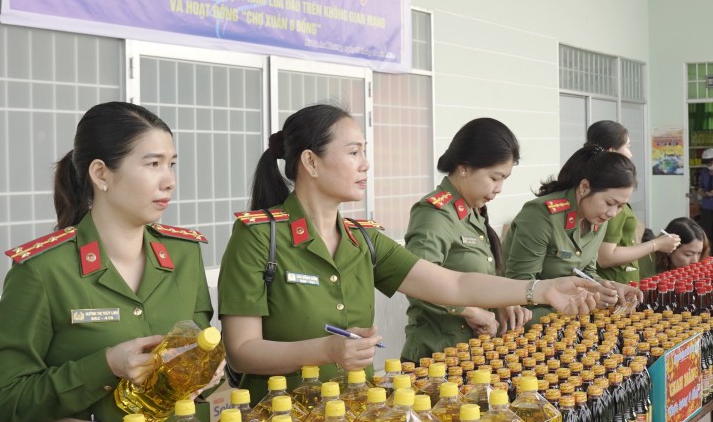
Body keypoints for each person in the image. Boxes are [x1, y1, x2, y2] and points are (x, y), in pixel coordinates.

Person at [216, 105, 602, 398]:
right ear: (311, 162)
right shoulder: (258, 237)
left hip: (354, 413)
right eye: (353, 153)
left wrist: (540, 290)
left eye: (364, 152)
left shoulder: (362, 239)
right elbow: (242, 352)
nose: (365, 164)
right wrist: (326, 349)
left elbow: (452, 284)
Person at [0, 102, 215, 422]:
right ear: (101, 173)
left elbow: (196, 348)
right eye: (153, 164)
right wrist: (106, 365)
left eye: (171, 164)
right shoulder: (43, 271)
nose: (169, 181)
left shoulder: (184, 254)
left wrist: (203, 371)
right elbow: (3, 401)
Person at [400, 118, 531, 362]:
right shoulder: (435, 213)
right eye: (494, 178)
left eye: (504, 179)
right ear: (464, 168)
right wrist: (469, 312)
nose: (499, 188)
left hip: (471, 354)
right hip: (437, 358)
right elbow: (415, 281)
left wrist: (501, 301)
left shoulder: (474, 213)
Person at [503, 144, 644, 323]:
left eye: (620, 207)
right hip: (531, 320)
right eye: (609, 203)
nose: (612, 213)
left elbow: (586, 271)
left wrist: (608, 288)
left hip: (570, 318)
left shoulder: (597, 218)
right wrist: (582, 297)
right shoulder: (542, 215)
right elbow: (520, 285)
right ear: (584, 187)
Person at [588, 121, 679, 284]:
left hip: (622, 284)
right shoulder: (609, 199)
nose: (631, 154)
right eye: (628, 147)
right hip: (613, 286)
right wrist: (656, 244)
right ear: (611, 152)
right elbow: (605, 257)